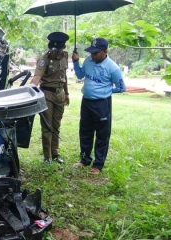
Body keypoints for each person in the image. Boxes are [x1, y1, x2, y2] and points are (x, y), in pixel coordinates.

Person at [71, 38, 126, 175]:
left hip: (102, 104)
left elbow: (121, 87)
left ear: (105, 51)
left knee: (102, 134)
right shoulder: (89, 61)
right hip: (86, 102)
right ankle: (85, 159)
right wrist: (76, 62)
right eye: (91, 52)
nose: (92, 55)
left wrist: (106, 91)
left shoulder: (113, 68)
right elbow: (79, 74)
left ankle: (98, 165)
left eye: (96, 53)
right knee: (85, 131)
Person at [30, 32, 70, 164]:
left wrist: (67, 93)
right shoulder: (44, 59)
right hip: (47, 94)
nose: (56, 53)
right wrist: (29, 92)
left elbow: (64, 77)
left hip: (60, 94)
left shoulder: (65, 56)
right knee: (47, 126)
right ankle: (47, 156)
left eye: (58, 50)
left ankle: (55, 153)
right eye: (54, 50)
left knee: (56, 125)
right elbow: (37, 77)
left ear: (63, 48)